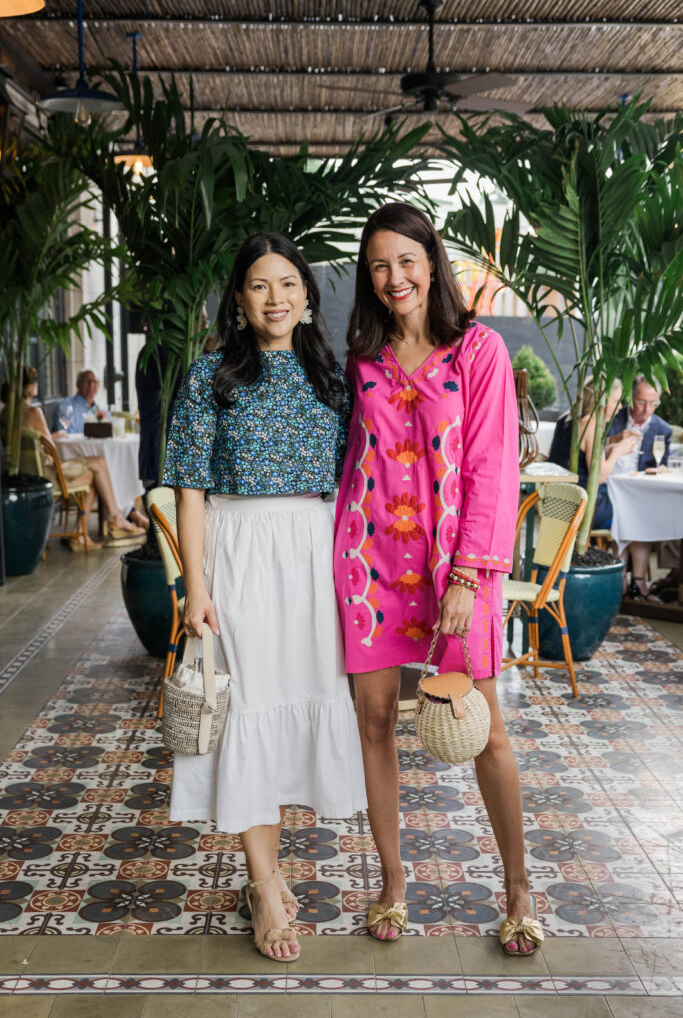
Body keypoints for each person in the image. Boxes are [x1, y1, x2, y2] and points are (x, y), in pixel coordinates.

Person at [334, 203, 543, 956]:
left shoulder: (477, 351)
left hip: (458, 567)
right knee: (375, 722)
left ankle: (517, 887)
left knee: (480, 727)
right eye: (379, 264)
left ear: (432, 262)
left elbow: (492, 469)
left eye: (407, 260)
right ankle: (391, 883)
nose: (394, 278)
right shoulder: (362, 359)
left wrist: (469, 576)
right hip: (369, 564)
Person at [163, 233, 367, 962]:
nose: (275, 296)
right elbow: (187, 490)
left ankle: (268, 873)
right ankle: (262, 882)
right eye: (258, 285)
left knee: (294, 705)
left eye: (287, 283)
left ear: (307, 297)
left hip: (314, 557)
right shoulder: (209, 376)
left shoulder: (334, 381)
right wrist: (195, 586)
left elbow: (356, 487)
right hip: (239, 553)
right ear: (240, 301)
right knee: (247, 708)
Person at [1, 367, 144, 549]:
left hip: (25, 474)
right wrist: (55, 436)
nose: (38, 385)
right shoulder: (33, 412)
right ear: (28, 388)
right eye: (35, 382)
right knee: (98, 464)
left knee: (95, 471)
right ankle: (113, 519)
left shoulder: (6, 412)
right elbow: (49, 446)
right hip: (47, 474)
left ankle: (86, 530)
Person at [608, 376, 673, 599]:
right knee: (626, 513)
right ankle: (622, 580)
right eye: (641, 402)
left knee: (641, 512)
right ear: (631, 398)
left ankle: (636, 580)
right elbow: (594, 451)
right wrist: (618, 439)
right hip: (609, 487)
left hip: (640, 492)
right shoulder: (611, 418)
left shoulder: (662, 429)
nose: (647, 410)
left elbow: (661, 467)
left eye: (653, 403)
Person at [548, 379, 639, 529]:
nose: (620, 407)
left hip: (557, 501)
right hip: (580, 505)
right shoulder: (592, 423)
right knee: (633, 509)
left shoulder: (566, 417)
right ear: (601, 400)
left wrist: (607, 449)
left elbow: (558, 456)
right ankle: (623, 553)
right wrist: (618, 451)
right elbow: (600, 477)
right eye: (616, 401)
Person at [51, 369, 111, 434]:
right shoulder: (65, 406)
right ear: (78, 384)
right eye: (87, 381)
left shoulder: (100, 410)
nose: (91, 385)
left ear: (98, 386)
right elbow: (65, 435)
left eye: (94, 381)